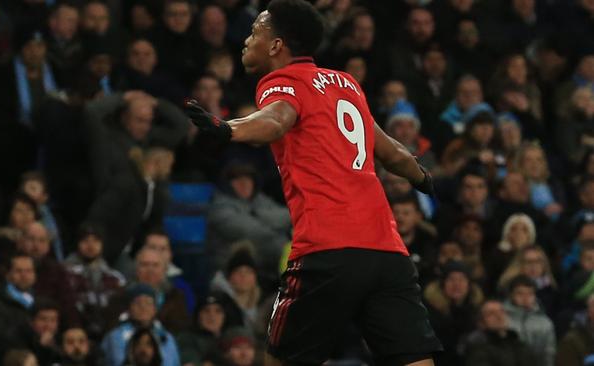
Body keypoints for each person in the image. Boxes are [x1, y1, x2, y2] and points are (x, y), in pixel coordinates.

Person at [185, 1, 440, 365]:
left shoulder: (282, 81)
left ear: (276, 46)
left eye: (255, 32)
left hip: (327, 249)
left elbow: (276, 120)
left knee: (279, 358)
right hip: (387, 250)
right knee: (414, 360)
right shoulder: (347, 84)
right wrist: (423, 178)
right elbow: (393, 153)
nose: (246, 40)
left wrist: (229, 128)